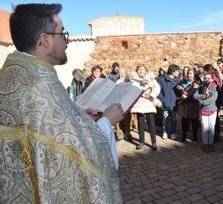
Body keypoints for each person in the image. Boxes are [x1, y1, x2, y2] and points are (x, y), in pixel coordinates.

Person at [0, 4, 123, 203]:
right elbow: (79, 155)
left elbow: (41, 125)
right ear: (45, 40)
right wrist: (106, 122)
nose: (66, 42)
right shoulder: (40, 85)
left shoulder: (9, 79)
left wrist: (78, 116)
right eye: (62, 34)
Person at [131, 64, 160, 150]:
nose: (140, 71)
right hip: (140, 104)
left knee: (151, 123)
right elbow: (134, 89)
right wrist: (143, 92)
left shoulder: (151, 79)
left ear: (145, 71)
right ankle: (141, 141)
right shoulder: (134, 80)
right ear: (137, 71)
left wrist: (151, 94)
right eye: (139, 69)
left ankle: (153, 142)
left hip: (148, 103)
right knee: (140, 124)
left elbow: (157, 88)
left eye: (142, 69)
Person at [194, 72, 218, 152]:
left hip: (212, 110)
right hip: (203, 110)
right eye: (205, 78)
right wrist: (205, 96)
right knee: (204, 128)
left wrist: (202, 102)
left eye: (209, 78)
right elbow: (195, 96)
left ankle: (210, 143)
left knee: (211, 128)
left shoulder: (214, 87)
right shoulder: (201, 87)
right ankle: (205, 143)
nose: (207, 79)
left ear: (211, 78)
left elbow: (213, 98)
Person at [157, 64, 181, 139]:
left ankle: (173, 132)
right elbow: (158, 91)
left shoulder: (178, 80)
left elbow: (179, 92)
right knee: (165, 119)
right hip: (165, 102)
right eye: (177, 71)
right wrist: (163, 100)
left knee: (173, 119)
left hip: (174, 103)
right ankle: (165, 131)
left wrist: (180, 91)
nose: (178, 72)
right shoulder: (162, 79)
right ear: (173, 71)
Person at [176, 68, 200, 142]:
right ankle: (183, 136)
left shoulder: (196, 82)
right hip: (185, 103)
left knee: (194, 121)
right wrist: (179, 88)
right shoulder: (183, 81)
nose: (189, 75)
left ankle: (195, 136)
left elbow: (194, 91)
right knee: (184, 120)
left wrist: (186, 93)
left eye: (191, 73)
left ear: (194, 74)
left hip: (193, 103)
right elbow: (178, 88)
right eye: (188, 73)